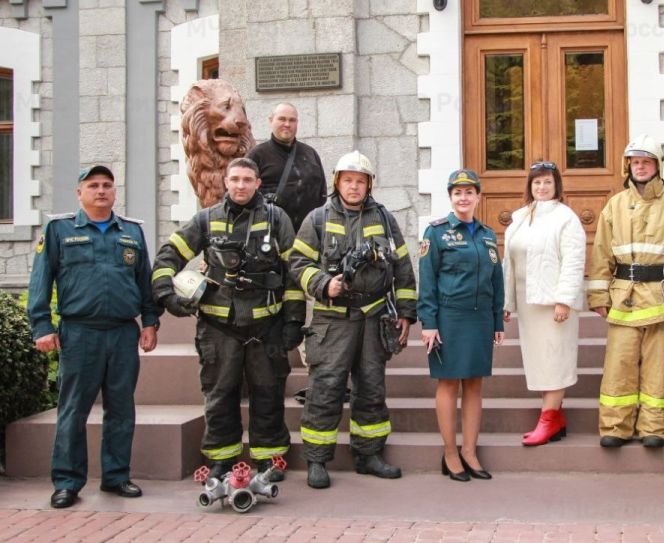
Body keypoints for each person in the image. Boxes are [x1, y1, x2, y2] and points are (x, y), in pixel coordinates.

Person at [152, 158, 304, 482]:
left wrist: (293, 321)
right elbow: (168, 256)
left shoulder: (277, 220)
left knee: (268, 393)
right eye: (234, 179)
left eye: (247, 179)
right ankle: (222, 459)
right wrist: (168, 295)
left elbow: (295, 272)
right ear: (225, 180)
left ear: (258, 183)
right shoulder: (206, 220)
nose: (240, 185)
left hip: (266, 327)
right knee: (220, 395)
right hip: (218, 328)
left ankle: (269, 458)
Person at [28, 165, 160, 509]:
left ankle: (116, 477)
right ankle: (67, 482)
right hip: (80, 332)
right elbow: (40, 282)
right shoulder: (59, 230)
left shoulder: (131, 232)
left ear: (114, 192)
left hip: (121, 333)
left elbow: (144, 283)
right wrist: (41, 326)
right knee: (73, 410)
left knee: (121, 409)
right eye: (93, 185)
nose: (100, 191)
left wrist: (150, 322)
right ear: (79, 193)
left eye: (106, 185)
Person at [286, 150, 417, 489]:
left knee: (371, 388)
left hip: (374, 317)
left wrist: (406, 313)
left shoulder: (385, 220)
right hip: (332, 320)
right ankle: (316, 460)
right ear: (337, 182)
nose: (354, 187)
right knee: (325, 389)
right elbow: (298, 264)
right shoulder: (317, 218)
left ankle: (370, 455)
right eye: (348, 180)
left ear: (369, 185)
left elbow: (402, 266)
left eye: (360, 181)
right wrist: (323, 284)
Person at [587, 137, 664, 450]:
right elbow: (601, 253)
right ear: (628, 166)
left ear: (658, 165)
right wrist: (598, 296)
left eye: (646, 161)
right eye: (635, 161)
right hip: (624, 299)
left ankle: (654, 428)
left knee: (660, 368)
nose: (641, 166)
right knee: (619, 366)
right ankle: (615, 427)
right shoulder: (615, 205)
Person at [418, 170, 505, 481]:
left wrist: (498, 320)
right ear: (451, 197)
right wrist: (428, 323)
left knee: (475, 384)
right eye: (458, 193)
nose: (464, 198)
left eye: (469, 192)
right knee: (449, 383)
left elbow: (497, 280)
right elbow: (427, 281)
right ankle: (450, 453)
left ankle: (470, 450)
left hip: (480, 318)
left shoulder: (487, 235)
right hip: (449, 317)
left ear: (478, 197)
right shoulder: (436, 233)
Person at [503, 161, 586, 446]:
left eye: (547, 182)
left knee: (554, 361)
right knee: (539, 362)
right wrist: (506, 301)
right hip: (528, 304)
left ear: (556, 186)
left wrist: (564, 300)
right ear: (530, 186)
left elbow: (574, 262)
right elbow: (509, 263)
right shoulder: (521, 217)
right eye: (536, 182)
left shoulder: (566, 218)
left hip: (553, 306)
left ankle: (548, 421)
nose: (541, 187)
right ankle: (557, 416)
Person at [247, 102, 327, 232]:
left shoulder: (310, 153)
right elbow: (246, 194)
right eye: (282, 119)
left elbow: (322, 194)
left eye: (292, 120)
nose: (287, 124)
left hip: (308, 235)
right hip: (271, 233)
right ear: (271, 121)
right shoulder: (257, 155)